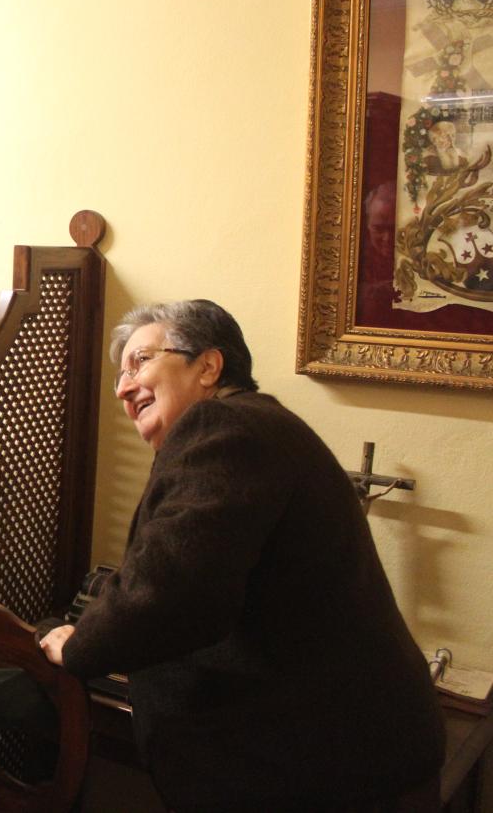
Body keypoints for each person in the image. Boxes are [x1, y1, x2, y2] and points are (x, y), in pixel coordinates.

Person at [39, 300, 443, 812]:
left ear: (208, 366)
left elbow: (169, 594)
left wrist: (77, 645)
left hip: (320, 774)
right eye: (120, 376)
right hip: (329, 758)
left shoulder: (222, 428)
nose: (122, 387)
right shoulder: (253, 426)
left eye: (140, 362)